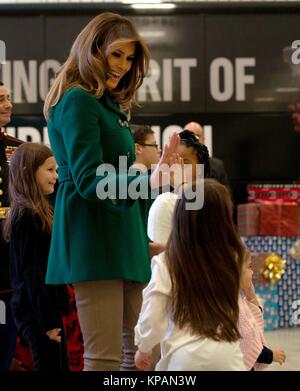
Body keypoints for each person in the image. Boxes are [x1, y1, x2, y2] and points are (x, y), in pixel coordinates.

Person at [43, 12, 180, 371]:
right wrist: (147, 179)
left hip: (121, 236)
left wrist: (140, 232)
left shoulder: (106, 103)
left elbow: (117, 179)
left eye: (129, 57)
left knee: (141, 354)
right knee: (104, 358)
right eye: (116, 54)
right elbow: (89, 178)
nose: (122, 65)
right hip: (93, 237)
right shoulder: (77, 100)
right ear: (93, 50)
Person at [134, 179, 246, 371]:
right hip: (229, 353)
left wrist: (143, 348)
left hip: (184, 357)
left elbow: (152, 314)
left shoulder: (167, 263)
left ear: (179, 218)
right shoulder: (234, 257)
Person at [3, 143, 69, 371]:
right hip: (38, 313)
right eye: (49, 170)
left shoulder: (39, 210)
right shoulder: (27, 215)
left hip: (46, 310)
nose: (56, 176)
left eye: (56, 170)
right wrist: (47, 322)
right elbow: (30, 273)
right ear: (28, 172)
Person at [147, 129, 210, 245]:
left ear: (202, 168)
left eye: (185, 163)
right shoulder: (165, 202)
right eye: (172, 162)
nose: (177, 168)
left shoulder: (214, 198)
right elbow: (161, 258)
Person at [238, 250, 286, 370]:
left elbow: (255, 315)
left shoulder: (240, 300)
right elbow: (248, 341)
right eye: (249, 267)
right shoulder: (235, 307)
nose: (252, 271)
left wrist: (251, 296)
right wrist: (270, 355)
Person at [0, 81, 19, 371]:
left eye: (8, 98)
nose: (8, 104)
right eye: (0, 99)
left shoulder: (18, 149)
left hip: (10, 253)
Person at [184, 121, 229, 187]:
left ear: (203, 139)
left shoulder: (218, 165)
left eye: (197, 136)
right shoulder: (176, 165)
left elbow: (225, 194)